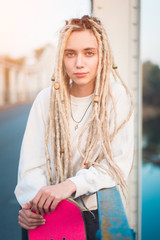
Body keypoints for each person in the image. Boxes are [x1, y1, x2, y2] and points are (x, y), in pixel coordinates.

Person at [15, 15, 134, 240]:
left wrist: (70, 185)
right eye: (71, 53)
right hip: (43, 217)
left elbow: (116, 163)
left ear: (102, 56)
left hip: (91, 216)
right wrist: (30, 204)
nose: (79, 63)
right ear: (62, 58)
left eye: (89, 53)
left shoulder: (116, 97)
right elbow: (30, 167)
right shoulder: (45, 99)